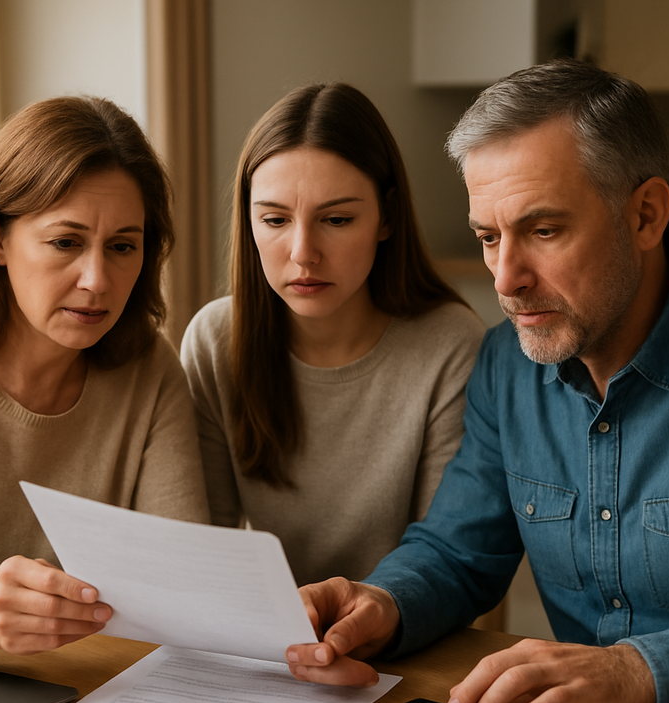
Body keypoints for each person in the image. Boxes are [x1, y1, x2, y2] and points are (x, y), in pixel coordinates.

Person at [284, 60, 669, 703]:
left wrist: (636, 671)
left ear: (645, 214)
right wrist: (382, 601)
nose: (506, 278)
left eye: (544, 231)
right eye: (489, 237)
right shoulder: (507, 361)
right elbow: (458, 551)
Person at [0, 96, 210, 660]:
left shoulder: (149, 368)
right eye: (66, 242)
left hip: (78, 697)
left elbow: (182, 587)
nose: (97, 280)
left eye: (122, 248)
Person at [181, 83, 485, 585]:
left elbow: (445, 558)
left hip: (405, 633)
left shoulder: (450, 344)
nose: (303, 252)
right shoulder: (216, 340)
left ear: (385, 217)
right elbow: (204, 549)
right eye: (275, 219)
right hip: (268, 639)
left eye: (337, 219)